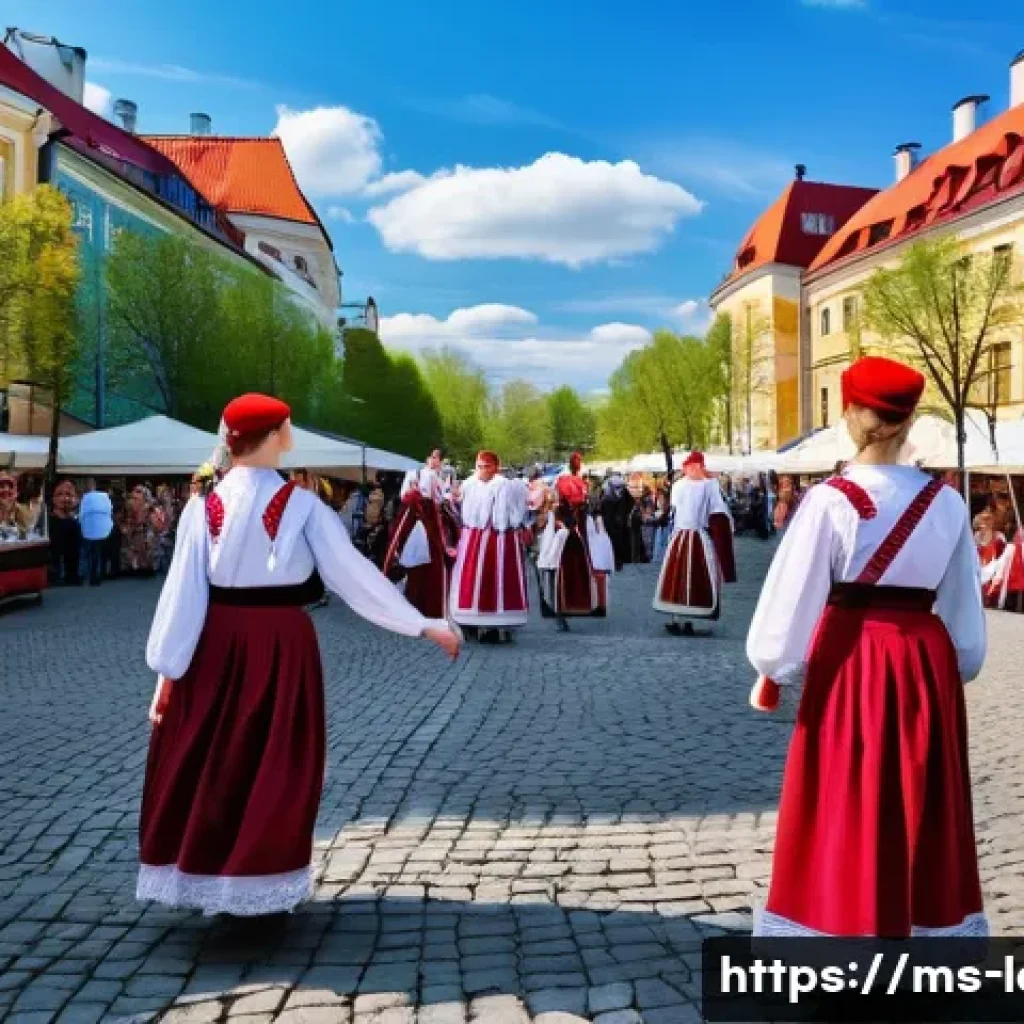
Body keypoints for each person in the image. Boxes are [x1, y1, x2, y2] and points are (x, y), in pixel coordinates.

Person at [139, 394, 461, 918]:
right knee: (275, 760)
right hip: (279, 644)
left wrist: (168, 672)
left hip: (215, 642)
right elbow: (351, 575)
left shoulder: (204, 506)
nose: (291, 436)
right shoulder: (302, 505)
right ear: (275, 436)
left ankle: (221, 880)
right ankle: (253, 879)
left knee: (216, 758)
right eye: (287, 428)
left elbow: (182, 594)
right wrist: (421, 624)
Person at [747, 356, 987, 938]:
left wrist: (775, 665)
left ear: (853, 414)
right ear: (908, 421)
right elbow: (964, 611)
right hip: (925, 659)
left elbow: (791, 601)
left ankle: (841, 933)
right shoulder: (948, 502)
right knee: (924, 798)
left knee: (845, 794)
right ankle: (925, 934)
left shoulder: (832, 500)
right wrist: (954, 667)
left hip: (853, 656)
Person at [449, 451, 530, 644]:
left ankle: (498, 625)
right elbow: (460, 507)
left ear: (495, 467)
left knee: (497, 579)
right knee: (471, 578)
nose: (483, 470)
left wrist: (512, 526)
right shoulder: (469, 483)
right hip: (473, 537)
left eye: (487, 466)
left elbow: (515, 512)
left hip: (500, 538)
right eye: (479, 466)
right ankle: (471, 623)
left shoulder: (505, 485)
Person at [653, 453, 736, 635]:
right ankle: (678, 619)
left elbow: (718, 512)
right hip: (685, 535)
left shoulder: (707, 486)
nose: (691, 470)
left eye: (694, 466)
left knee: (690, 577)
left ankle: (686, 620)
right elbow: (718, 511)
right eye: (689, 467)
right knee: (678, 578)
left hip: (693, 535)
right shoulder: (687, 485)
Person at [537, 452, 614, 630]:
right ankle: (562, 608)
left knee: (571, 567)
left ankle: (572, 606)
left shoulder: (576, 483)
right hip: (571, 529)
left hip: (575, 528)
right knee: (564, 567)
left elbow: (583, 507)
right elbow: (562, 506)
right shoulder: (570, 483)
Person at [384, 448, 457, 619]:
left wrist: (448, 497)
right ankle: (409, 599)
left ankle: (431, 603)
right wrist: (413, 495)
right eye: (433, 457)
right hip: (414, 517)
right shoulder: (414, 473)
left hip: (432, 519)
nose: (435, 460)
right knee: (410, 558)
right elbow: (403, 496)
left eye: (439, 458)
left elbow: (440, 500)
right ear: (427, 458)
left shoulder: (441, 478)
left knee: (434, 559)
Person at [79, 479, 114, 587]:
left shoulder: (86, 498)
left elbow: (82, 513)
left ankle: (94, 576)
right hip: (101, 530)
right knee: (98, 554)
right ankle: (98, 575)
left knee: (93, 554)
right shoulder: (103, 497)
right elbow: (109, 510)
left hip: (90, 530)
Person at [973, 510, 1006, 608]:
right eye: (983, 521)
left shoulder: (999, 536)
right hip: (980, 563)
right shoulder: (977, 535)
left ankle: (989, 598)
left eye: (988, 521)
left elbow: (1002, 554)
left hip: (994, 564)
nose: (986, 524)